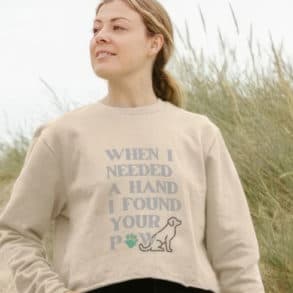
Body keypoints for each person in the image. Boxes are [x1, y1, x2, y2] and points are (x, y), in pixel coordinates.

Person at [0, 0, 265, 292]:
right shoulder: (62, 136)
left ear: (154, 43)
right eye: (96, 28)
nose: (101, 35)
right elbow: (15, 233)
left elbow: (236, 252)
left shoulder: (199, 134)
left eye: (118, 27)